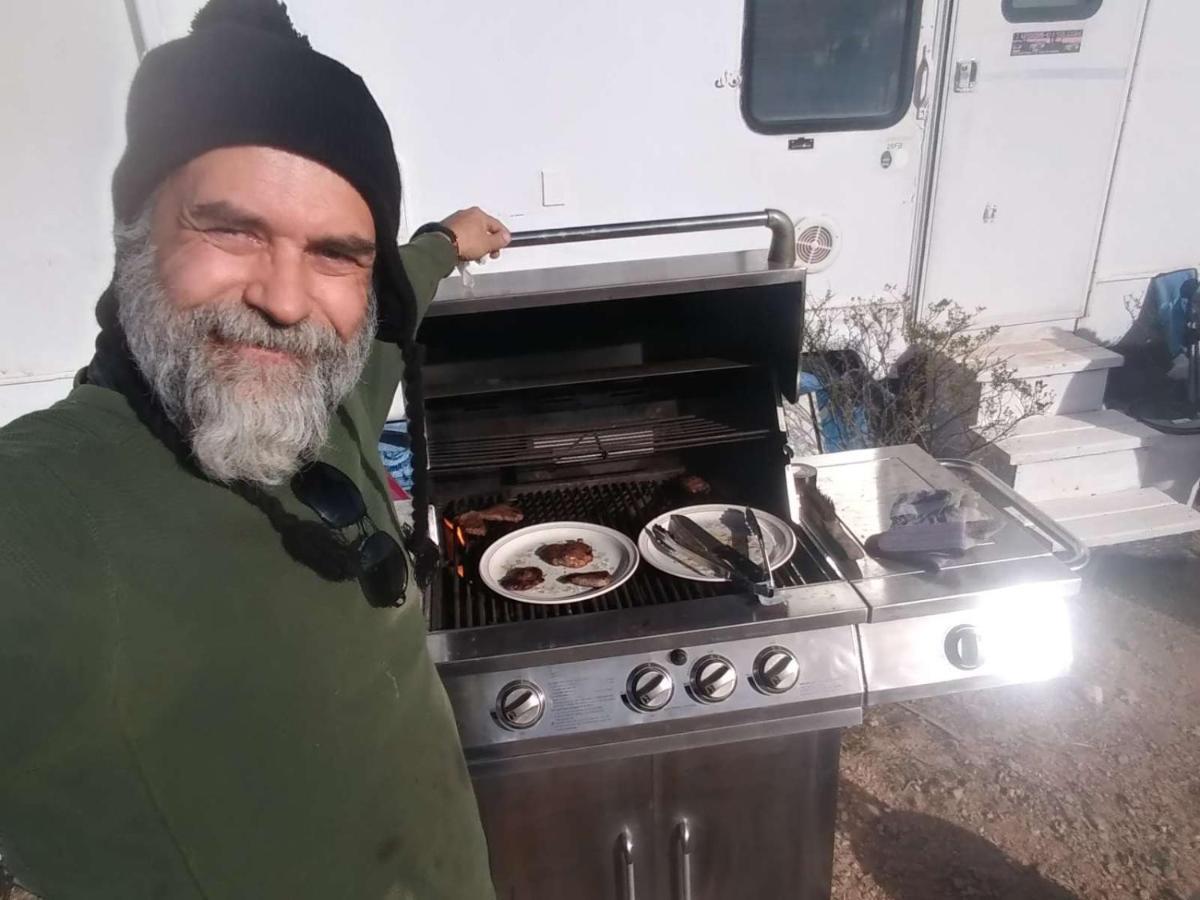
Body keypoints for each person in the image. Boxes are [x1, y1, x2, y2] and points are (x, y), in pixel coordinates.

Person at [0, 2, 508, 897]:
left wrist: (443, 243)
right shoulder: (46, 509)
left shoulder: (320, 401)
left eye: (335, 252)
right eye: (232, 229)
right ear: (135, 238)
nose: (283, 298)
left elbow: (393, 307)